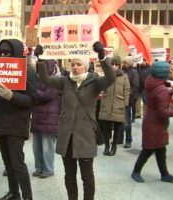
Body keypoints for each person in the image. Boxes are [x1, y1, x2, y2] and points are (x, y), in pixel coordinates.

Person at [37, 42, 115, 200]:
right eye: (73, 64)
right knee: (69, 175)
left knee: (87, 176)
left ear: (85, 66)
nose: (75, 67)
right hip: (67, 137)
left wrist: (102, 56)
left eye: (79, 64)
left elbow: (111, 77)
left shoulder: (95, 82)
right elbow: (45, 78)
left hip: (85, 136)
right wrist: (40, 59)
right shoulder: (64, 81)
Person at [0, 39, 36, 200]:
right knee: (7, 162)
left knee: (17, 164)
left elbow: (31, 100)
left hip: (16, 124)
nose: (3, 56)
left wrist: (11, 96)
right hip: (0, 122)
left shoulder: (28, 72)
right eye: (1, 52)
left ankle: (27, 197)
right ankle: (14, 192)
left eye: (7, 52)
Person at [131, 61, 173, 183]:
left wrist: (170, 93)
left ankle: (164, 174)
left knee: (160, 150)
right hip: (156, 124)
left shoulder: (152, 83)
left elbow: (159, 97)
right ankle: (136, 171)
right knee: (148, 150)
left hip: (152, 121)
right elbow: (163, 112)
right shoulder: (161, 89)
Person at [30, 59, 60, 178]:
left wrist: (33, 91)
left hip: (49, 118)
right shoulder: (36, 79)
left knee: (47, 146)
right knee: (36, 146)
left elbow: (47, 95)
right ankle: (38, 168)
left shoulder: (55, 80)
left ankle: (48, 169)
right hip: (37, 116)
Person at [99, 56, 130, 156]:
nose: (114, 66)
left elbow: (127, 91)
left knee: (117, 129)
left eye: (116, 64)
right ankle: (107, 146)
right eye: (112, 64)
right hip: (106, 104)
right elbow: (99, 87)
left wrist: (125, 103)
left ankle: (114, 147)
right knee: (105, 128)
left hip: (118, 105)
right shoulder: (105, 76)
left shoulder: (124, 77)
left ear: (119, 65)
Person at [121, 56, 139, 148]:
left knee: (127, 121)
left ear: (130, 64)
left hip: (128, 100)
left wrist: (126, 94)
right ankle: (119, 139)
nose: (123, 64)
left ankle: (128, 140)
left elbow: (135, 86)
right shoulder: (121, 71)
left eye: (125, 63)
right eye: (123, 62)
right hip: (119, 99)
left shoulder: (134, 72)